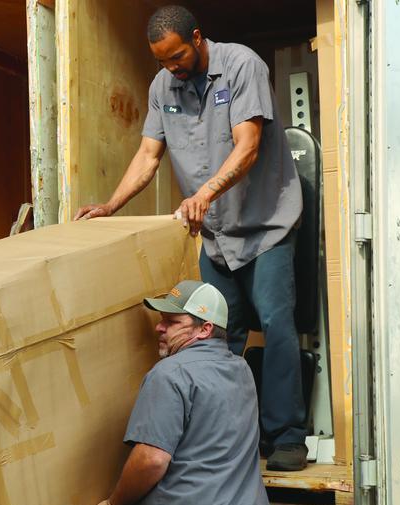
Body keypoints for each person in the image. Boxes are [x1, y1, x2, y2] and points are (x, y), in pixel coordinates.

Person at [74, 5, 307, 470]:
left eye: (177, 56)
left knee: (276, 323)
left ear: (197, 39)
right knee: (214, 334)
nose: (171, 68)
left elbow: (248, 146)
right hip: (217, 238)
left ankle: (286, 437)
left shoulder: (242, 66)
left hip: (266, 227)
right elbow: (147, 154)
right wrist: (109, 206)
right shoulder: (164, 86)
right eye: (161, 61)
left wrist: (203, 193)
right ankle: (226, 434)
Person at [82, 281, 273, 505]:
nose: (160, 328)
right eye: (162, 320)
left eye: (172, 322)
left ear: (205, 329)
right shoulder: (241, 371)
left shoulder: (171, 374)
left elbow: (151, 459)